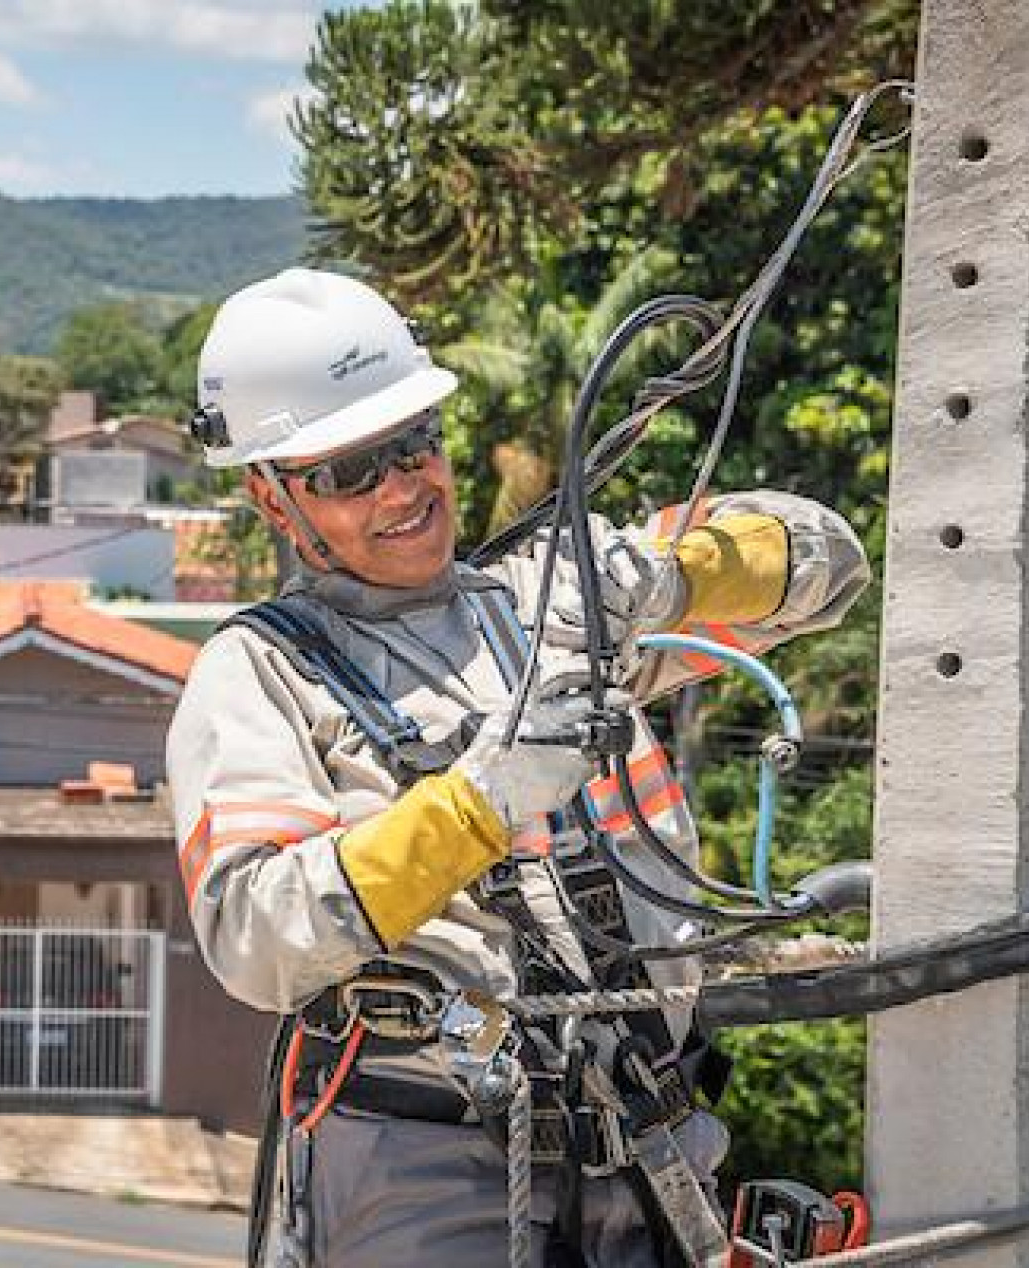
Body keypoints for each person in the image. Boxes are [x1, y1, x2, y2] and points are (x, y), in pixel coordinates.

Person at [165, 267, 870, 1268]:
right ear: (272, 497)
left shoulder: (553, 597)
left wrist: (677, 571)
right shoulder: (263, 674)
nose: (403, 486)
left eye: (415, 444)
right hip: (421, 1162)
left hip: (648, 1144)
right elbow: (253, 932)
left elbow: (828, 564)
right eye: (350, 471)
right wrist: (479, 802)